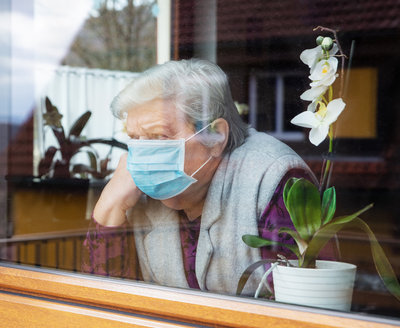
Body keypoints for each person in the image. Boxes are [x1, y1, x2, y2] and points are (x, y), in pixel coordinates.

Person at [81, 59, 320, 295]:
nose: (141, 156)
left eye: (158, 136)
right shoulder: (136, 187)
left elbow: (306, 308)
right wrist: (110, 205)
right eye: (134, 138)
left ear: (215, 137)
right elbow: (104, 306)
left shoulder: (274, 178)